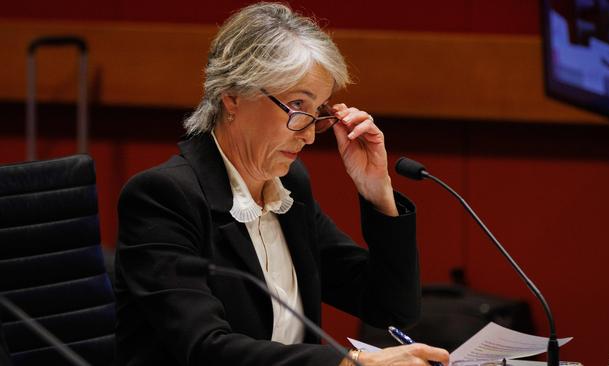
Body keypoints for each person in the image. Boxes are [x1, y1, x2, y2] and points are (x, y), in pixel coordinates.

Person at [114, 2, 449, 366]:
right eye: (297, 106)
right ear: (232, 96)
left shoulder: (287, 189)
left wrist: (377, 192)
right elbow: (205, 349)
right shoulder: (164, 198)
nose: (309, 135)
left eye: (318, 112)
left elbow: (391, 308)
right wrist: (349, 363)